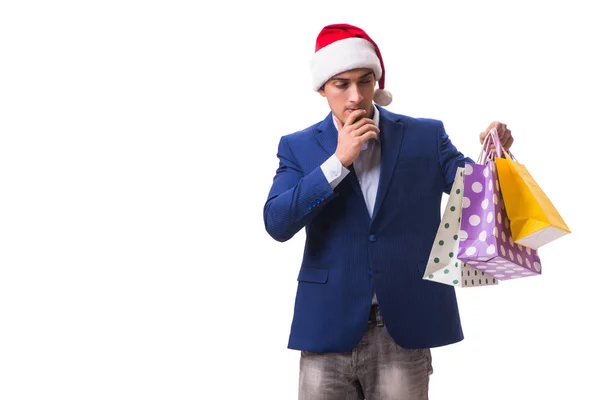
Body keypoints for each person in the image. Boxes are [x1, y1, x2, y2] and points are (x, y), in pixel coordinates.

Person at [263, 23, 514, 400]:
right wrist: (337, 162)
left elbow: (480, 197)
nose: (356, 96)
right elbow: (277, 223)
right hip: (326, 326)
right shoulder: (298, 147)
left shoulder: (425, 136)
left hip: (404, 326)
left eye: (365, 81)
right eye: (341, 84)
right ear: (321, 89)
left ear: (377, 81)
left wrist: (495, 155)